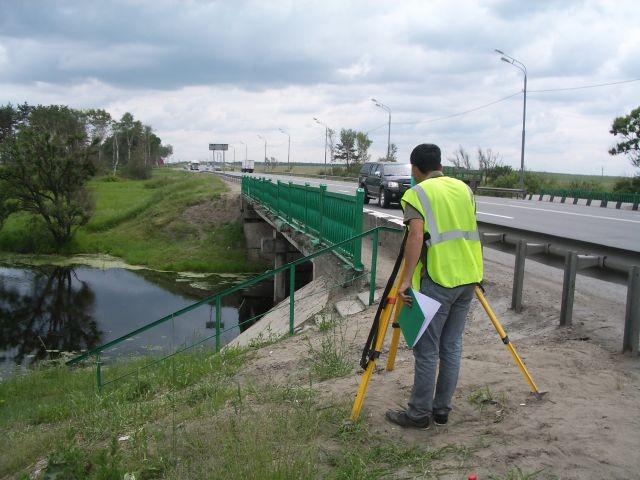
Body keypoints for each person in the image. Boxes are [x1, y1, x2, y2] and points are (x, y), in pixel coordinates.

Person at [385, 143, 483, 429]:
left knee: (426, 350)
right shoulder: (464, 189)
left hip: (439, 278)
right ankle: (441, 411)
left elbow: (415, 237)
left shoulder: (416, 193)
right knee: (451, 346)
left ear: (415, 168)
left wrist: (404, 281)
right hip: (469, 277)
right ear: (440, 165)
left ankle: (418, 415)